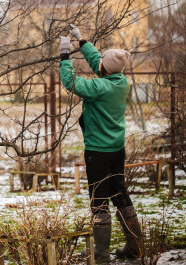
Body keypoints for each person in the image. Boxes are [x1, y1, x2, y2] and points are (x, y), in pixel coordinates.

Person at [59, 25, 143, 262]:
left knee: (98, 200)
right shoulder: (120, 82)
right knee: (119, 193)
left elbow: (70, 82)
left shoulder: (99, 88)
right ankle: (134, 247)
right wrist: (82, 40)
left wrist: (65, 55)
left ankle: (101, 254)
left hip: (98, 152)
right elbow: (100, 62)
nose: (100, 65)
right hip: (117, 149)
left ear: (105, 68)